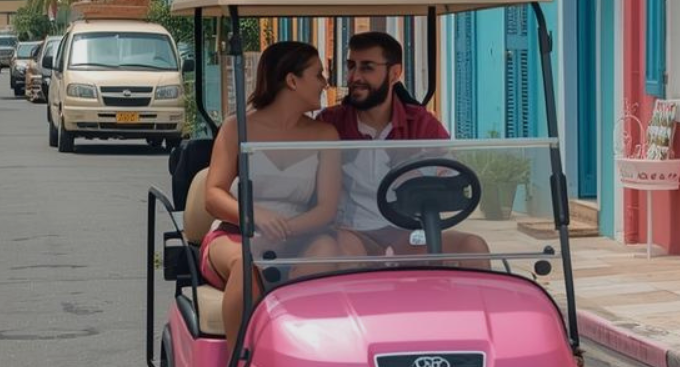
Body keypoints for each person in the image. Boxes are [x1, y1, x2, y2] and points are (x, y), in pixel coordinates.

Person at [201, 41, 345, 343]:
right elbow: (213, 195)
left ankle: (301, 352)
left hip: (299, 235)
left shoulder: (325, 134)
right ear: (292, 81)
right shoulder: (236, 128)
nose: (324, 83)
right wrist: (255, 217)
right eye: (318, 75)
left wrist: (285, 229)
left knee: (326, 253)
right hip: (237, 232)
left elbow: (326, 208)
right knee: (245, 267)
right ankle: (239, 364)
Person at [316, 31, 492, 263]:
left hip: (408, 229)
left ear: (394, 73)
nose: (354, 76)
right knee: (346, 255)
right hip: (352, 230)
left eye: (367, 67)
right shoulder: (330, 123)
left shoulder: (421, 123)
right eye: (351, 66)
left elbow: (452, 176)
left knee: (473, 246)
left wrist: (421, 174)